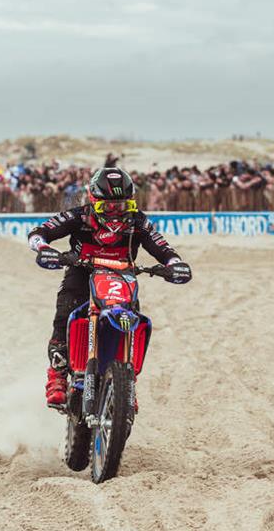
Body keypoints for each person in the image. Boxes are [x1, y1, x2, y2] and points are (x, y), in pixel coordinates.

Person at [27, 167, 191, 407]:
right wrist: (43, 249)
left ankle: (127, 383)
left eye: (123, 206)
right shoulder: (78, 216)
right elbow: (39, 232)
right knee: (65, 311)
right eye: (108, 207)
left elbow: (161, 247)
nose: (115, 214)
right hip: (82, 272)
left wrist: (174, 264)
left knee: (133, 318)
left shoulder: (138, 222)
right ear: (94, 202)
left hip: (122, 278)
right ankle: (58, 375)